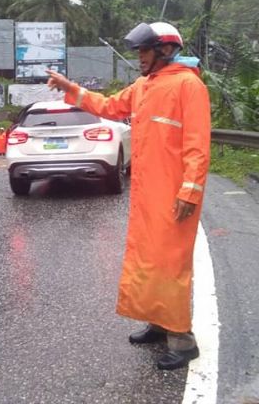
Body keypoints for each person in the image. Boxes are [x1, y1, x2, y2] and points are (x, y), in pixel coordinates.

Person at [46, 21, 211, 371]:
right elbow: (108, 106)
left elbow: (198, 146)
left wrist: (190, 191)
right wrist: (69, 88)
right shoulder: (142, 86)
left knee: (170, 264)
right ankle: (158, 322)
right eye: (138, 51)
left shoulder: (188, 86)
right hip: (145, 194)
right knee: (147, 259)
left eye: (145, 50)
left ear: (166, 50)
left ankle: (182, 340)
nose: (140, 57)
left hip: (173, 195)